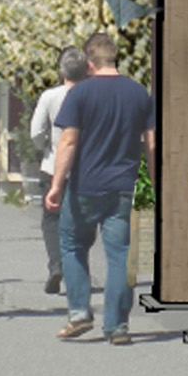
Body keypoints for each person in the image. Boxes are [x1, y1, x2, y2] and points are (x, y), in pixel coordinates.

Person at [45, 31, 155, 345]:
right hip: (124, 186)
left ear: (89, 62)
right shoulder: (138, 93)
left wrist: (56, 184)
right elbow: (152, 143)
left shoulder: (79, 94)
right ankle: (117, 326)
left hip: (85, 187)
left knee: (71, 245)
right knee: (121, 255)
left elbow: (68, 141)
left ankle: (79, 312)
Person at [30, 45, 89, 294]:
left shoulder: (50, 96)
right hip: (85, 167)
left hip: (53, 165)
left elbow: (35, 132)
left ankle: (56, 265)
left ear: (61, 70)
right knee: (81, 220)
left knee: (52, 219)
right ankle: (79, 269)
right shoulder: (91, 95)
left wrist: (46, 147)